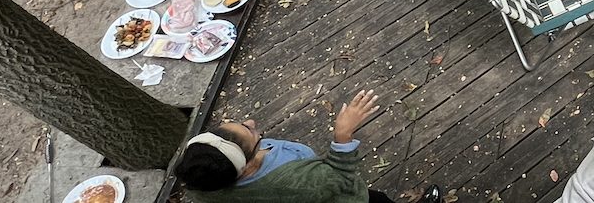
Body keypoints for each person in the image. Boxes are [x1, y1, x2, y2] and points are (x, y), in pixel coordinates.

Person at [175, 89, 435, 203]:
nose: (251, 121)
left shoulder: (200, 183)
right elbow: (339, 178)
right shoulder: (296, 183)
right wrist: (343, 134)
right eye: (249, 130)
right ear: (247, 167)